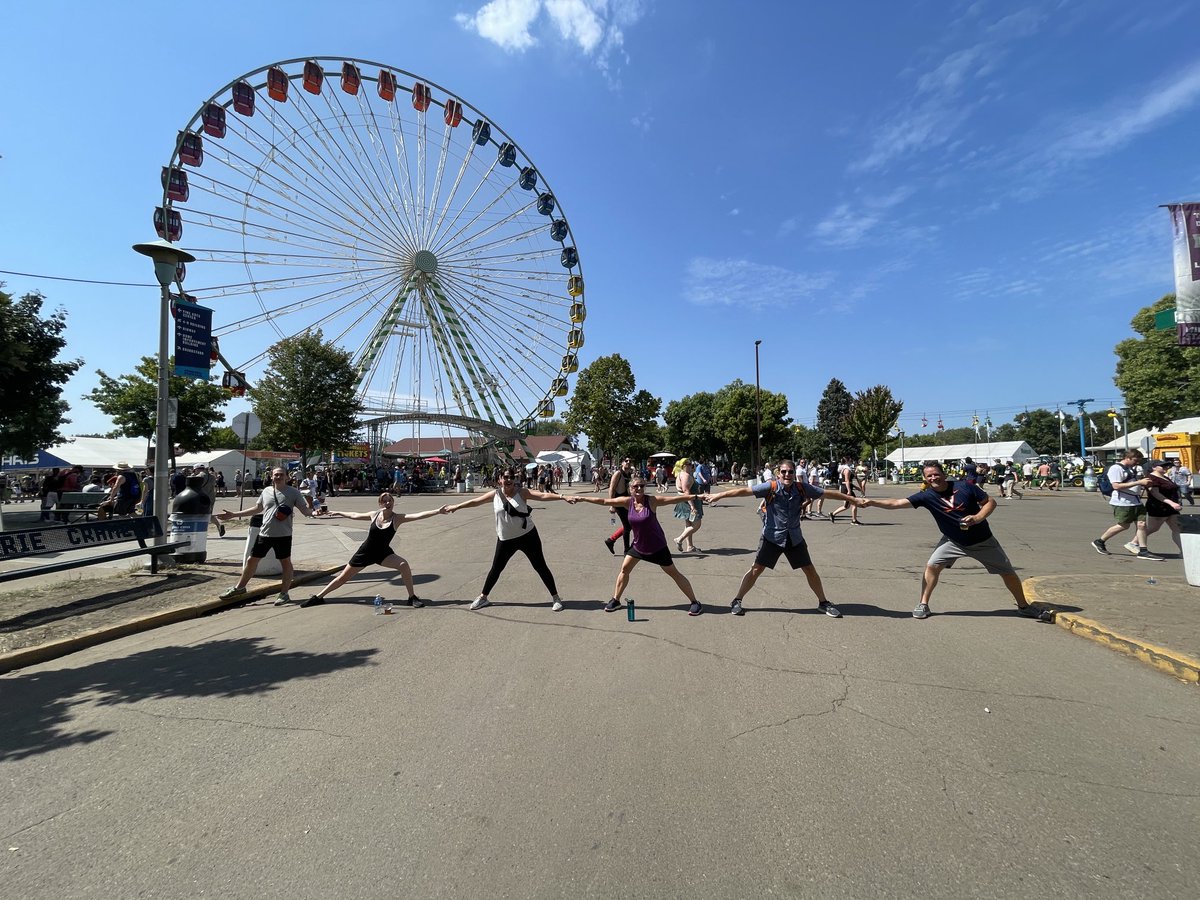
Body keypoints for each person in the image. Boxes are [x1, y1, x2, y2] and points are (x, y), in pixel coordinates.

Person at [861, 461, 1052, 621]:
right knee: (932, 566)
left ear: (944, 475)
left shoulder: (965, 486)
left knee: (1008, 573)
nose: (933, 478)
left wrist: (977, 518)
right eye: (929, 476)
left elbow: (990, 502)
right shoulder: (926, 496)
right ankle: (923, 604)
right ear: (925, 479)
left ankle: (1023, 607)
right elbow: (896, 503)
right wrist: (871, 502)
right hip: (952, 541)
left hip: (982, 540)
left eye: (936, 474)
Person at [707, 460, 857, 617]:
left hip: (794, 538)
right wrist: (719, 495)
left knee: (809, 569)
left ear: (794, 473)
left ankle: (823, 602)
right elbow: (744, 491)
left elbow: (826, 493)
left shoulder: (801, 488)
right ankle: (737, 600)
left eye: (790, 471)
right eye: (784, 471)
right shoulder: (770, 487)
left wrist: (853, 499)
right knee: (756, 569)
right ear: (778, 473)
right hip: (772, 537)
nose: (787, 474)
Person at [569, 475, 705, 616]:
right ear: (630, 489)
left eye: (641, 485)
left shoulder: (651, 501)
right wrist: (582, 498)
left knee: (674, 573)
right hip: (638, 546)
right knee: (624, 570)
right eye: (635, 486)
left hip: (657, 546)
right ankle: (616, 600)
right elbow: (604, 501)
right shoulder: (627, 502)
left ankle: (695, 602)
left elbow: (674, 499)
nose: (639, 488)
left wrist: (697, 496)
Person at [443, 467, 568, 611]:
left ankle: (556, 598)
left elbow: (543, 496)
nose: (509, 480)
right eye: (506, 477)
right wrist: (457, 506)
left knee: (540, 566)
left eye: (512, 477)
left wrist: (562, 496)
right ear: (500, 479)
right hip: (506, 539)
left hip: (528, 536)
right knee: (496, 568)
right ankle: (483, 597)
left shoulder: (522, 492)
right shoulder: (495, 495)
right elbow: (475, 501)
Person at [300, 492, 446, 608]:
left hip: (383, 553)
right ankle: (318, 597)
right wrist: (337, 512)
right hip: (365, 552)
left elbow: (418, 515)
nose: (388, 503)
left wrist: (438, 511)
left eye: (390, 500)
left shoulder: (397, 518)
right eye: (384, 501)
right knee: (343, 577)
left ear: (393, 502)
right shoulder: (374, 515)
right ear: (380, 504)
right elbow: (354, 515)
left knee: (403, 565)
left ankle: (412, 597)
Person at [217, 467, 315, 604]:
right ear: (271, 476)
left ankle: (284, 594)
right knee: (251, 560)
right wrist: (234, 515)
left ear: (287, 477)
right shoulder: (266, 491)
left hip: (283, 535)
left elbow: (305, 511)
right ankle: (240, 588)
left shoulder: (293, 492)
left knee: (285, 563)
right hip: (265, 533)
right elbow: (257, 509)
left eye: (281, 475)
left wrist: (314, 512)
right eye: (276, 475)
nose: (278, 477)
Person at [1090, 449, 1160, 560]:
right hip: (1123, 502)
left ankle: (1143, 550)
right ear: (1127, 458)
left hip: (1135, 501)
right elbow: (1116, 486)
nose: (1137, 463)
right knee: (1124, 525)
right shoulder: (1116, 468)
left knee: (1141, 524)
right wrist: (1139, 482)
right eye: (1135, 460)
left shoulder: (1130, 468)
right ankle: (1100, 541)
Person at [1144, 459, 1184, 556]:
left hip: (1170, 508)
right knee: (1153, 528)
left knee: (1177, 529)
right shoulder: (1152, 478)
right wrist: (1172, 503)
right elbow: (1155, 493)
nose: (1166, 467)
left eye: (1167, 466)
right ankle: (1135, 542)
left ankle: (1184, 551)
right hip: (1158, 507)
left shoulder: (1164, 477)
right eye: (1163, 466)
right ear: (1154, 467)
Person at [603, 457, 636, 555]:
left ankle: (611, 540)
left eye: (630, 461)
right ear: (622, 463)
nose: (628, 462)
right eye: (626, 461)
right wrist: (612, 505)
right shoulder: (618, 473)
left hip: (626, 502)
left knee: (630, 524)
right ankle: (627, 550)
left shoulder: (629, 474)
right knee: (627, 526)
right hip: (618, 502)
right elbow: (611, 489)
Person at [672, 459, 704, 553]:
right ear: (684, 466)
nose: (691, 466)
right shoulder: (685, 476)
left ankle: (690, 546)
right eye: (689, 464)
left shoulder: (681, 474)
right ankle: (679, 539)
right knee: (697, 524)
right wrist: (692, 506)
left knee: (688, 524)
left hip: (685, 501)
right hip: (689, 502)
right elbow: (686, 492)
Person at [193, 464, 226, 537]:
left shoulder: (199, 477)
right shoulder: (212, 476)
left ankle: (200, 531)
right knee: (208, 514)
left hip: (201, 498)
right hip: (211, 497)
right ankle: (219, 525)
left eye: (194, 470)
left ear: (197, 469)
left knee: (199, 515)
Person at [829, 457, 860, 524]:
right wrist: (849, 490)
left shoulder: (844, 468)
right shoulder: (846, 470)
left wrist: (855, 487)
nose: (851, 462)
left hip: (845, 487)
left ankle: (833, 514)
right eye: (850, 461)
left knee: (847, 506)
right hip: (845, 488)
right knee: (854, 503)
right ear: (847, 461)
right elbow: (846, 481)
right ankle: (854, 520)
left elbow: (848, 481)